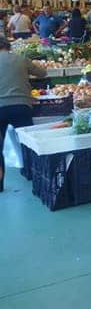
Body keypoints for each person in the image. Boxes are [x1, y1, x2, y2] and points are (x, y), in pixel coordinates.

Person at [0, 35, 46, 192]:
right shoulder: (20, 58)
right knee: (27, 142)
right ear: (8, 45)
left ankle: (0, 184)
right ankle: (31, 173)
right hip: (21, 105)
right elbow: (42, 73)